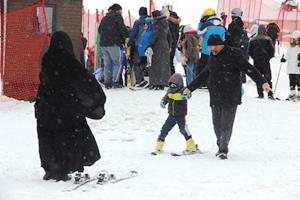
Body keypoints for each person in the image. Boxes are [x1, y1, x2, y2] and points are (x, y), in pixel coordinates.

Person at [183, 34, 272, 159]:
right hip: (215, 94)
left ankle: (223, 149)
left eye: (214, 47)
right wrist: (189, 87)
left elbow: (248, 68)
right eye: (209, 47)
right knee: (216, 124)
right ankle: (220, 144)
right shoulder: (212, 57)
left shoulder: (233, 54)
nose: (212, 50)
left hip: (231, 95)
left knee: (226, 124)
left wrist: (262, 82)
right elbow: (204, 74)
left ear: (221, 45)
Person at [34, 31, 106, 181]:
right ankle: (62, 168)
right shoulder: (69, 60)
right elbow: (84, 80)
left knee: (48, 138)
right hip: (65, 108)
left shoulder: (47, 58)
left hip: (46, 106)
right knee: (67, 138)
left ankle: (51, 168)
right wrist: (96, 98)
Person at [154, 73, 198, 154]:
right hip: (171, 115)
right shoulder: (170, 90)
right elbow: (166, 97)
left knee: (183, 130)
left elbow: (189, 95)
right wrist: (163, 102)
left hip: (180, 115)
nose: (172, 87)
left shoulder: (183, 90)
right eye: (171, 85)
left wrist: (182, 97)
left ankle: (191, 147)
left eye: (174, 85)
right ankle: (159, 146)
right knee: (164, 129)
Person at [98, 3, 129, 89]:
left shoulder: (105, 18)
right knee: (117, 63)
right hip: (114, 43)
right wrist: (126, 35)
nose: (121, 12)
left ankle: (107, 82)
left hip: (104, 44)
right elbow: (122, 30)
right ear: (118, 10)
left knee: (107, 64)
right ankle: (115, 81)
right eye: (121, 10)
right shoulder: (118, 17)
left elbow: (99, 30)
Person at [197, 8, 225, 86]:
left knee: (202, 67)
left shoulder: (207, 24)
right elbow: (223, 39)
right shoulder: (222, 26)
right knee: (213, 68)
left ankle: (202, 83)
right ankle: (211, 83)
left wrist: (200, 23)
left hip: (206, 50)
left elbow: (199, 33)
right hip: (217, 52)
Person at [146, 10, 172, 90]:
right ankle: (164, 82)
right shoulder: (165, 23)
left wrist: (149, 45)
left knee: (156, 65)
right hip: (165, 46)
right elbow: (170, 37)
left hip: (158, 47)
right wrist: (169, 46)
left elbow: (155, 36)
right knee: (164, 65)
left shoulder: (157, 24)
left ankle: (156, 83)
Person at [248, 25, 275, 99]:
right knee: (268, 77)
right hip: (265, 61)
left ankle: (260, 93)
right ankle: (269, 93)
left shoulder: (253, 40)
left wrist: (253, 56)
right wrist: (269, 57)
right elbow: (272, 50)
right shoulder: (268, 39)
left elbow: (249, 51)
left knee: (258, 77)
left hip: (256, 60)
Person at [128, 7, 149, 87]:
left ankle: (139, 81)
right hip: (149, 46)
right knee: (148, 63)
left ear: (139, 13)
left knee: (137, 63)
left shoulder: (138, 22)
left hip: (139, 46)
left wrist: (129, 43)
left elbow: (133, 34)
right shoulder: (151, 21)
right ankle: (149, 80)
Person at [280, 30, 300, 101]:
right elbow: (288, 55)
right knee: (292, 81)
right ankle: (292, 93)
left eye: (297, 39)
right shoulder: (291, 47)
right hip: (291, 67)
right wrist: (284, 59)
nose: (296, 41)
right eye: (294, 39)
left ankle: (299, 95)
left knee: (299, 82)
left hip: (298, 68)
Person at [163, 3, 181, 75]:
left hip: (168, 44)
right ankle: (172, 77)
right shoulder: (176, 23)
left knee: (168, 62)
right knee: (170, 61)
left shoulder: (168, 22)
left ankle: (170, 78)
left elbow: (167, 34)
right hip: (173, 43)